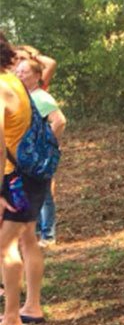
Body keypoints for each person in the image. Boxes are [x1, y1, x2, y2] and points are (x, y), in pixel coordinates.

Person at [0, 32, 48, 325]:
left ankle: (11, 318)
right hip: (31, 174)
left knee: (4, 247)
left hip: (15, 180)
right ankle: (31, 306)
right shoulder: (12, 80)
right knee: (27, 239)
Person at [15, 57, 66, 245]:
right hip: (24, 156)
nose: (19, 75)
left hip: (38, 157)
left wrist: (45, 144)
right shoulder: (23, 96)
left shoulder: (41, 97)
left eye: (24, 72)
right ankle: (34, 232)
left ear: (37, 76)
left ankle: (48, 235)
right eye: (18, 71)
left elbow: (59, 121)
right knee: (27, 192)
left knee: (44, 194)